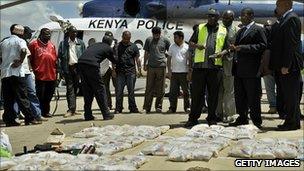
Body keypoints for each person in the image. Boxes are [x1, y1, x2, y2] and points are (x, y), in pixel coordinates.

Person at [185, 8, 227, 127]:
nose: (211, 18)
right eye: (209, 16)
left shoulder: (223, 30)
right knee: (197, 94)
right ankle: (193, 118)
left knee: (213, 95)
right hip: (200, 67)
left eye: (213, 16)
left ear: (218, 18)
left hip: (215, 67)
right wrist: (197, 45)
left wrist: (222, 53)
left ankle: (211, 118)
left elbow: (227, 47)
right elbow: (191, 42)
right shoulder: (200, 27)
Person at [229, 7, 267, 129]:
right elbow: (238, 46)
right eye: (241, 15)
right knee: (240, 96)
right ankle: (242, 118)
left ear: (251, 16)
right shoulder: (241, 31)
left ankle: (256, 121)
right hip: (239, 69)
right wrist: (233, 48)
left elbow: (262, 46)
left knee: (253, 97)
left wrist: (243, 48)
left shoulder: (258, 29)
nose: (241, 17)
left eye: (243, 15)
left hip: (251, 69)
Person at [269, 0, 302, 131]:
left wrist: (286, 65)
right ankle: (291, 120)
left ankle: (292, 123)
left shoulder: (291, 19)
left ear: (286, 5)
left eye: (278, 5)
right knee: (287, 96)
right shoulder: (285, 18)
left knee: (291, 96)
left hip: (289, 66)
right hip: (283, 65)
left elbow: (290, 45)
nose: (276, 8)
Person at [0, 24, 40, 126]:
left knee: (8, 99)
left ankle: (10, 120)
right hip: (16, 73)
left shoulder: (3, 42)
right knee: (22, 97)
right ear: (21, 33)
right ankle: (30, 118)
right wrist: (20, 61)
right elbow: (23, 50)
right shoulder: (20, 41)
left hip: (5, 74)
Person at [77, 35, 117, 121]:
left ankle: (88, 115)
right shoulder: (108, 48)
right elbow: (114, 60)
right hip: (92, 66)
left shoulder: (95, 45)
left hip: (80, 64)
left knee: (87, 91)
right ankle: (106, 114)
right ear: (110, 43)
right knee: (100, 90)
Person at [14, 26, 46, 121]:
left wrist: (31, 70)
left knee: (32, 93)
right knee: (17, 94)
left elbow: (28, 58)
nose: (31, 34)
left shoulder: (26, 43)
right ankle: (16, 114)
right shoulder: (17, 42)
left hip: (27, 71)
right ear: (23, 33)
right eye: (29, 32)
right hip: (17, 72)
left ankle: (37, 114)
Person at [29, 28, 58, 119]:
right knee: (39, 96)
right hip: (39, 75)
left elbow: (55, 59)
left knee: (48, 96)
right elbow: (29, 59)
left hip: (51, 74)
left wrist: (57, 72)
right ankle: (38, 113)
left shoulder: (52, 45)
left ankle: (46, 112)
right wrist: (31, 71)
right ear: (41, 34)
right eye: (46, 34)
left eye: (49, 34)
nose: (48, 36)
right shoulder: (33, 44)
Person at [58, 26, 86, 117]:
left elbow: (85, 55)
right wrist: (61, 71)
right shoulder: (63, 44)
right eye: (72, 32)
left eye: (75, 32)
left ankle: (73, 108)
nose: (74, 34)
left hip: (78, 69)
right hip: (68, 68)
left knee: (76, 89)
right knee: (70, 89)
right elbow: (59, 58)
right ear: (68, 33)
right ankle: (71, 109)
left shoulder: (81, 43)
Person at [216, 10, 237, 123]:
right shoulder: (218, 29)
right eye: (223, 18)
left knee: (229, 90)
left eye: (227, 18)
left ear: (232, 18)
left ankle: (230, 114)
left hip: (230, 65)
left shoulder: (237, 30)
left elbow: (236, 47)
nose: (225, 20)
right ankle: (218, 113)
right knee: (218, 90)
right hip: (217, 65)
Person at [143, 27, 171, 113]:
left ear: (160, 33)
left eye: (157, 34)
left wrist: (165, 59)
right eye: (154, 34)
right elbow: (146, 52)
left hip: (161, 66)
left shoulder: (165, 40)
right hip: (151, 66)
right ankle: (146, 107)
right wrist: (145, 64)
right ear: (152, 33)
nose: (156, 36)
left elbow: (170, 52)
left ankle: (159, 106)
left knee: (161, 88)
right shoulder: (148, 40)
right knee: (149, 87)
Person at [114, 31, 142, 113]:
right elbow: (114, 59)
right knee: (119, 91)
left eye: (128, 38)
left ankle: (132, 108)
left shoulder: (134, 46)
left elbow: (137, 58)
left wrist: (139, 69)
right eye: (125, 38)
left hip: (131, 72)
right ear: (122, 37)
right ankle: (118, 108)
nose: (126, 40)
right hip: (120, 72)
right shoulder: (117, 46)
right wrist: (113, 70)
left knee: (131, 91)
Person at [166, 31, 190, 113]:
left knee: (186, 91)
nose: (174, 39)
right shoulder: (172, 47)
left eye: (176, 37)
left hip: (184, 72)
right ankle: (172, 108)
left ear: (181, 38)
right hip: (174, 73)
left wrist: (189, 72)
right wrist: (169, 71)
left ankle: (187, 107)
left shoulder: (187, 47)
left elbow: (190, 60)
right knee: (173, 92)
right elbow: (169, 59)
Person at [260, 20, 277, 114]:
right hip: (267, 68)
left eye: (269, 26)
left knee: (279, 88)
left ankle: (279, 106)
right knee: (269, 88)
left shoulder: (278, 38)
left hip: (277, 67)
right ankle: (273, 106)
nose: (268, 28)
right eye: (266, 26)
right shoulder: (262, 39)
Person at [101, 31, 117, 110]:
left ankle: (118, 105)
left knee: (117, 86)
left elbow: (116, 57)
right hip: (105, 68)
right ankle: (108, 104)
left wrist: (114, 69)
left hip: (113, 67)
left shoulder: (116, 45)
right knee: (106, 87)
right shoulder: (103, 45)